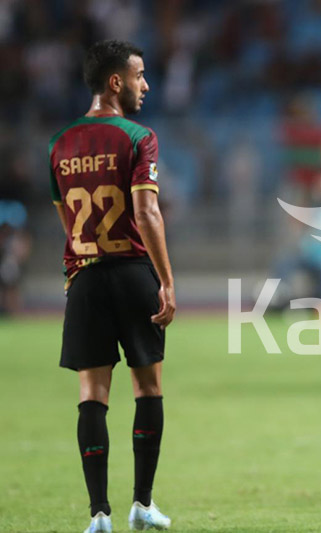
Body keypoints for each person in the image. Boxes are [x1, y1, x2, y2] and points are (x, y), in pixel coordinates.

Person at [49, 40, 176, 533]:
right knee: (147, 386)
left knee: (91, 394)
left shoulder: (58, 142)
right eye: (140, 75)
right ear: (115, 82)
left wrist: (76, 272)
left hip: (83, 277)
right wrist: (166, 280)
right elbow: (146, 213)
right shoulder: (137, 136)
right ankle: (142, 505)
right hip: (130, 274)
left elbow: (67, 222)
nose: (146, 85)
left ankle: (98, 514)